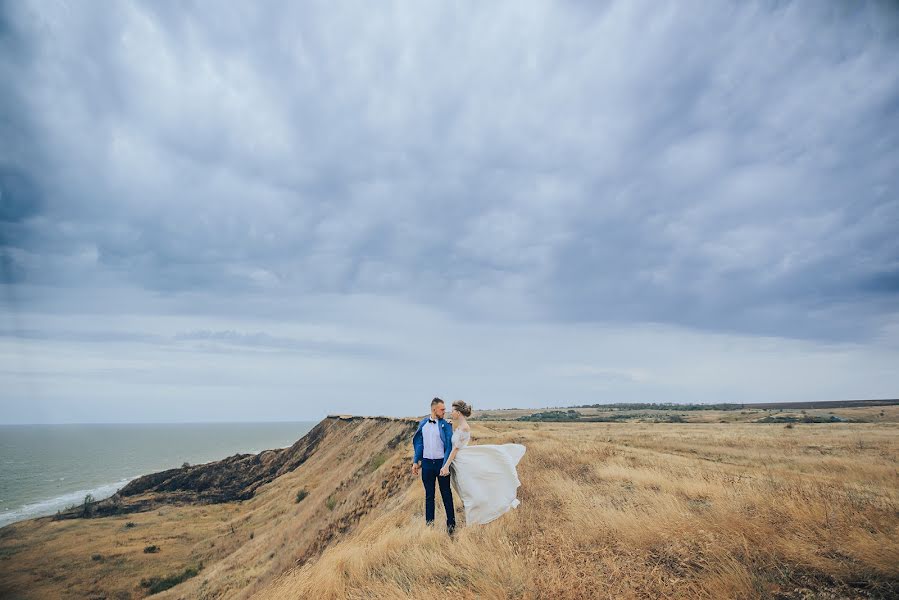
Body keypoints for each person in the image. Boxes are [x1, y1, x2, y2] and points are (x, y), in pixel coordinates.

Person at [441, 400, 526, 525]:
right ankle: (473, 518)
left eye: (452, 411)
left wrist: (446, 466)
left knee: (470, 492)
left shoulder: (464, 428)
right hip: (459, 463)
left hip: (463, 463)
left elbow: (455, 449)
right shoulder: (458, 427)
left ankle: (474, 521)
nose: (451, 413)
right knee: (465, 491)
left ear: (458, 413)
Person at [411, 397, 455, 535]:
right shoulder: (423, 424)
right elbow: (419, 444)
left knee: (446, 494)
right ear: (434, 409)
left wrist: (446, 465)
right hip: (427, 464)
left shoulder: (446, 424)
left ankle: (451, 526)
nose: (444, 411)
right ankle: (429, 527)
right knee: (429, 496)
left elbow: (449, 446)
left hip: (442, 464)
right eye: (442, 409)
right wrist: (415, 461)